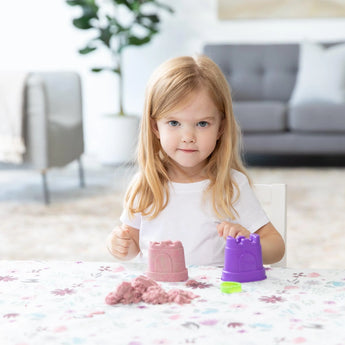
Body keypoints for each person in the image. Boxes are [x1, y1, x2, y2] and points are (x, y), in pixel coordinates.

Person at [107, 55, 285, 266]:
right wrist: (118, 245)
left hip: (217, 296)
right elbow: (132, 246)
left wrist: (249, 244)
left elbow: (276, 247)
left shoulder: (232, 186)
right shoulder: (144, 185)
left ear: (220, 128)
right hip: (162, 294)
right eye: (174, 122)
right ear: (155, 127)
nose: (188, 136)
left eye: (202, 124)